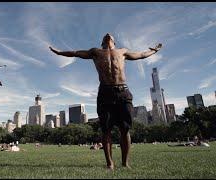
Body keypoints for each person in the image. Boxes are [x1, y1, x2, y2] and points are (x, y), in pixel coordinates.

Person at [49, 33, 162, 171]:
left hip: (123, 92)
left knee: (125, 129)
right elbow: (75, 53)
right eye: (105, 35)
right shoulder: (95, 52)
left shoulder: (123, 51)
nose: (108, 34)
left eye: (110, 35)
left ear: (114, 41)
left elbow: (142, 55)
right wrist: (59, 52)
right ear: (103, 41)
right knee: (106, 130)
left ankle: (125, 163)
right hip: (105, 93)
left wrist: (154, 51)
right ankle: (110, 164)